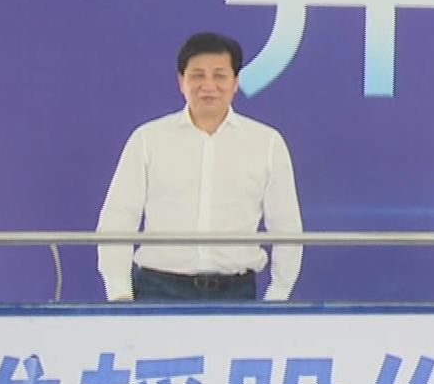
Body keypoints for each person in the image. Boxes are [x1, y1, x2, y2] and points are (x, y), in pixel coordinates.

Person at [96, 31, 302, 301]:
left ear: (235, 82)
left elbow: (286, 226)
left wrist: (279, 293)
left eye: (219, 75)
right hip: (159, 290)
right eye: (197, 75)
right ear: (181, 81)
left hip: (235, 294)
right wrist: (119, 292)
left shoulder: (266, 143)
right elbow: (118, 219)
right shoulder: (148, 139)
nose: (208, 85)